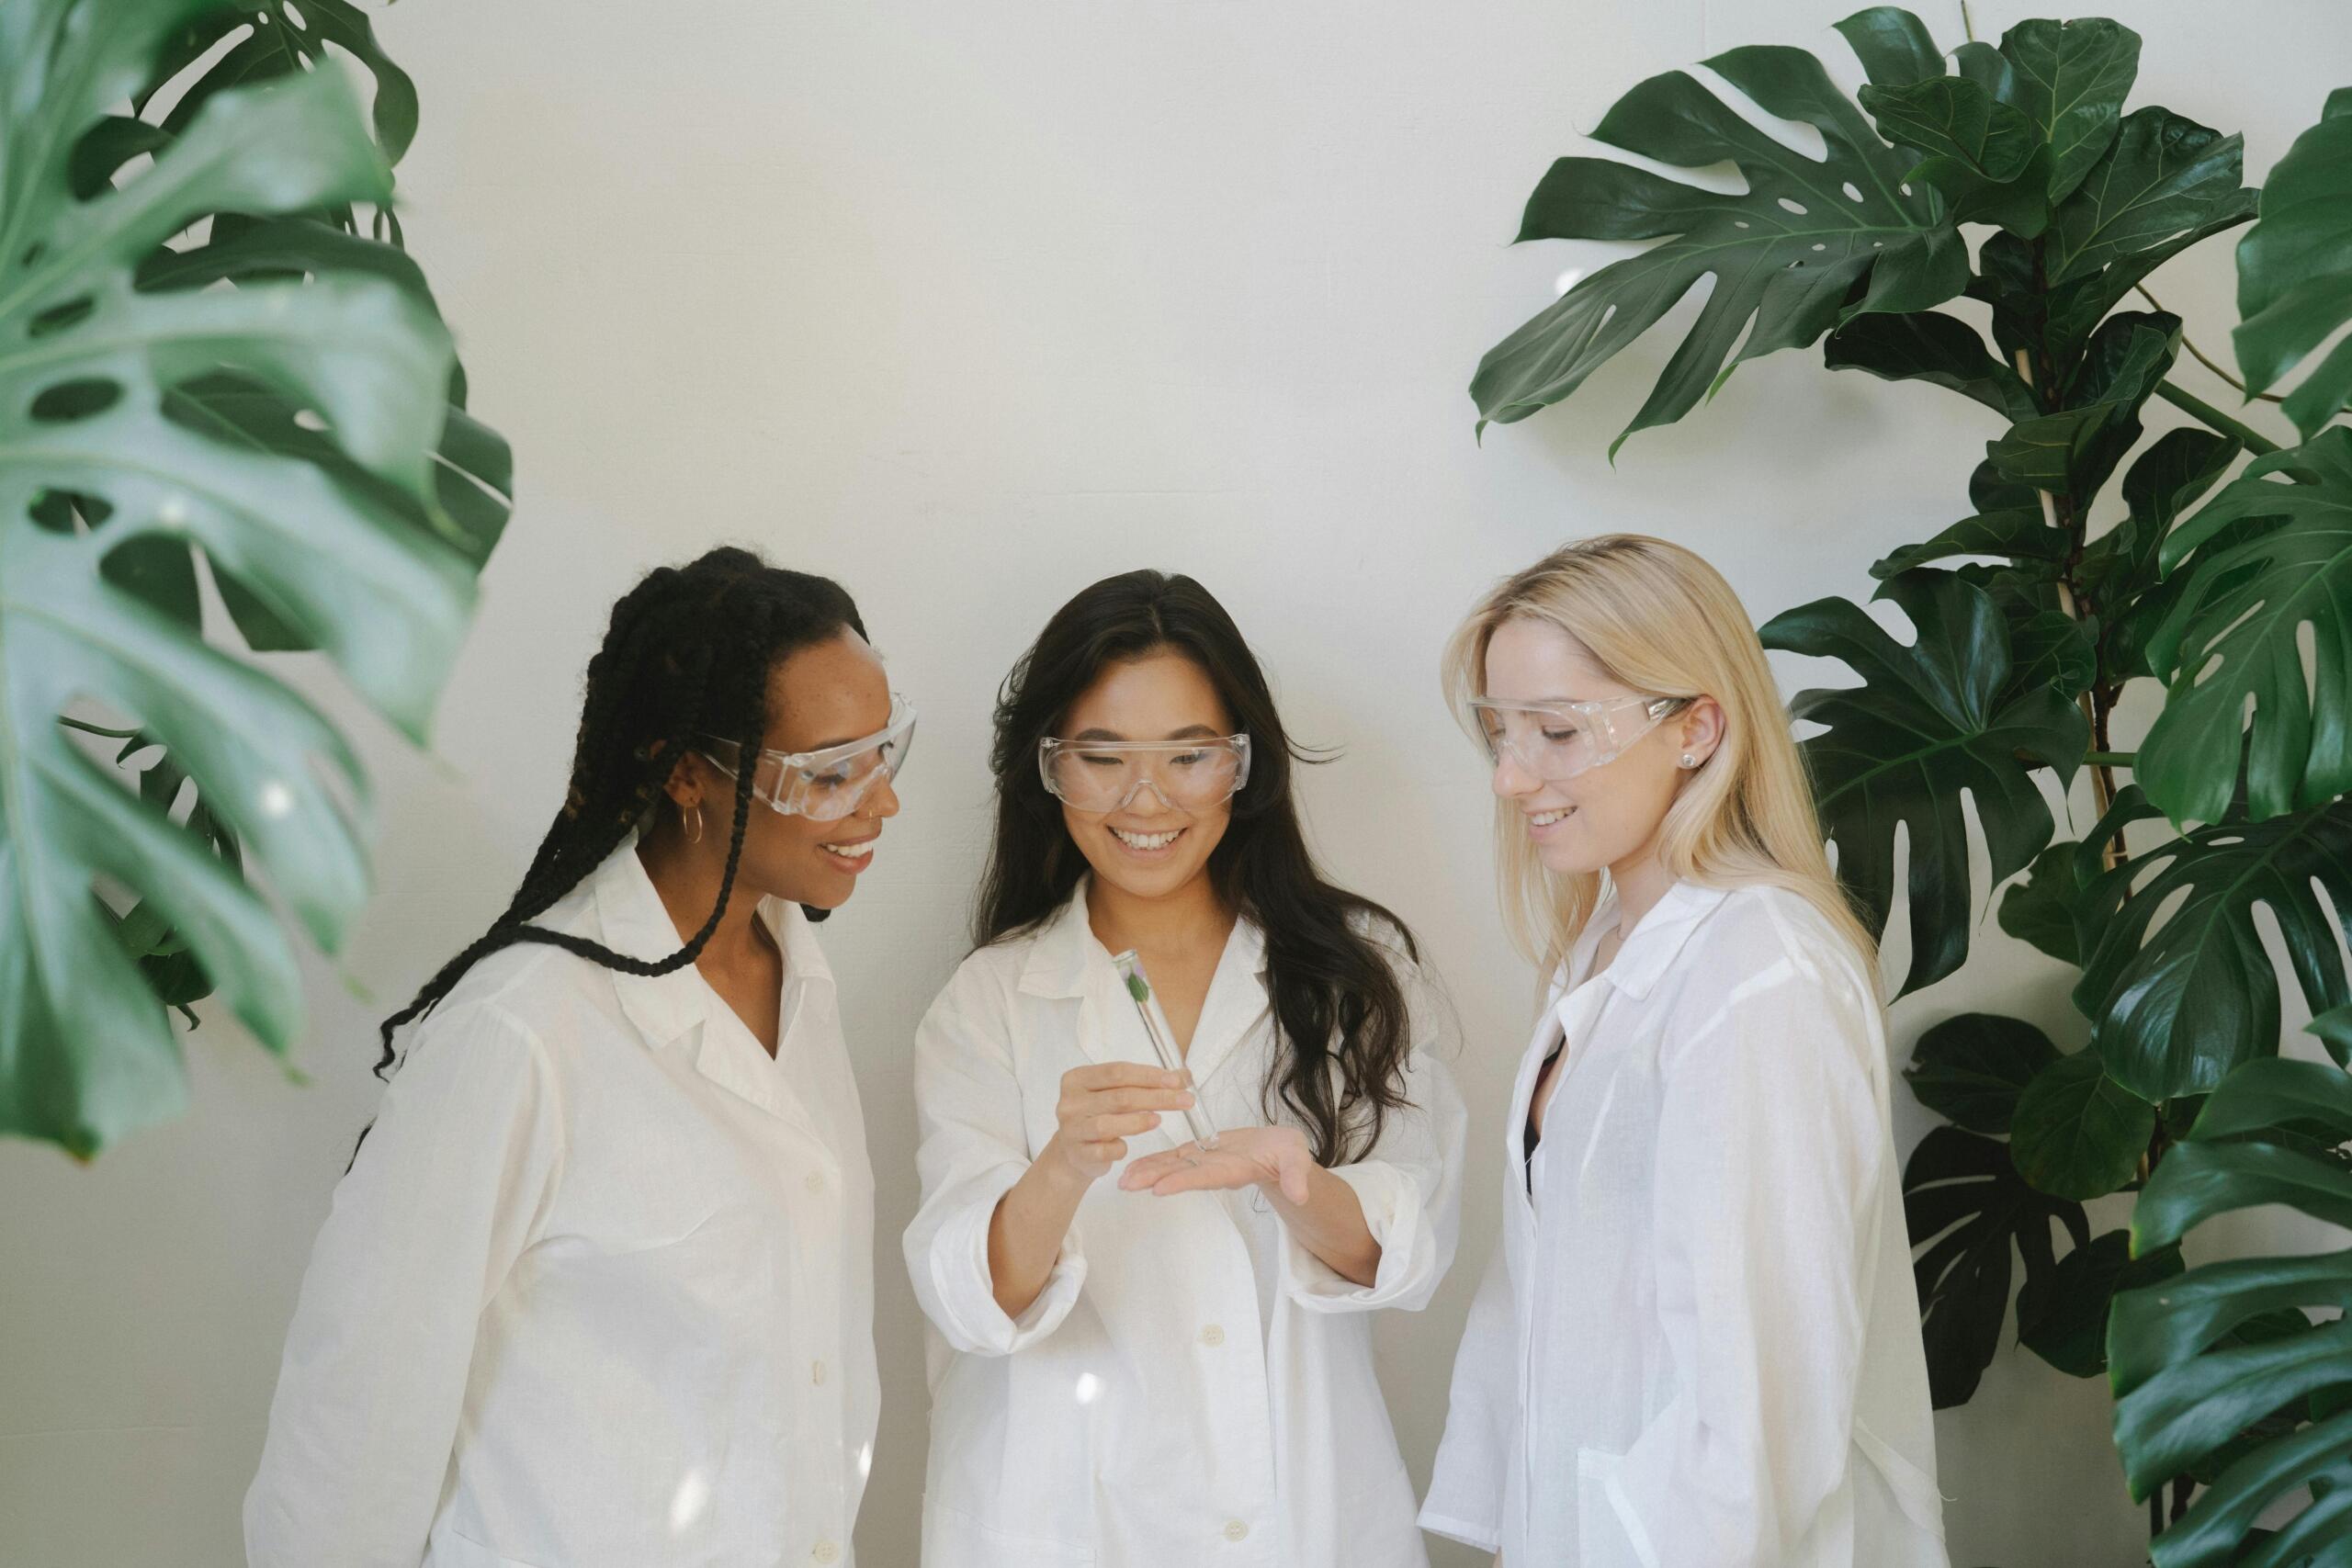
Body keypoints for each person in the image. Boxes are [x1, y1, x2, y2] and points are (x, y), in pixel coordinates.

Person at [245, 547, 909, 1568]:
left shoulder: (797, 984)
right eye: (829, 773)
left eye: (882, 753)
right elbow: (356, 1419)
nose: (880, 803)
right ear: (686, 771)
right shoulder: (520, 1030)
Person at [904, 570, 1465, 1567]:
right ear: (1049, 769)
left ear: (1243, 764)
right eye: (1102, 757)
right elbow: (970, 1297)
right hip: (1067, 1522)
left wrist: (1297, 1183)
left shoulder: (1354, 973)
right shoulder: (990, 999)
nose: (1147, 798)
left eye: (1190, 755)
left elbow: (1408, 1247)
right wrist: (1061, 1168)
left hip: (1301, 1516)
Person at [1420, 536, 1947, 1568]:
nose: (1511, 777)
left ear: (1697, 727)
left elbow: (1765, 1404)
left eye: (1557, 732)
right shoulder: (1601, 949)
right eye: (1500, 733)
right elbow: (1551, 1299)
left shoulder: (1760, 973)